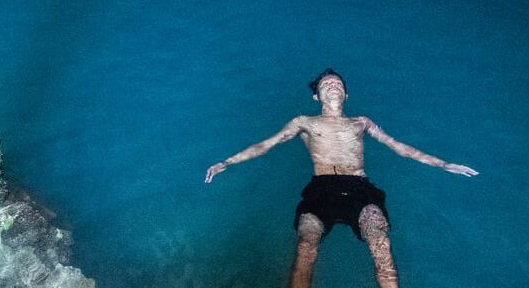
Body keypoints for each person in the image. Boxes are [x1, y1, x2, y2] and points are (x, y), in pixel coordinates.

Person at [204, 69, 478, 288]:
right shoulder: (304, 122)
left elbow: (400, 147)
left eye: (337, 83)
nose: (333, 85)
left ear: (346, 94)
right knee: (305, 244)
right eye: (327, 83)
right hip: (320, 189)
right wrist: (227, 162)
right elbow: (267, 144)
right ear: (316, 96)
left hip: (359, 187)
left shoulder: (361, 122)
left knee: (379, 238)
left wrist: (443, 164)